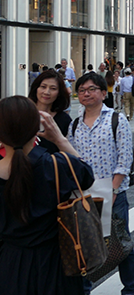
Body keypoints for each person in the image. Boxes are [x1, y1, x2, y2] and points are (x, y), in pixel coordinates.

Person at [0, 96, 92, 295]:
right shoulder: (56, 165)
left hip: (9, 265)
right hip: (58, 264)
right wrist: (60, 139)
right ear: (36, 129)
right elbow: (86, 176)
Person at [68, 72, 134, 294]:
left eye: (91, 89)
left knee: (120, 243)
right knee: (85, 244)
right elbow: (72, 159)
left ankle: (129, 289)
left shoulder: (116, 119)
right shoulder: (75, 123)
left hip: (113, 192)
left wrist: (114, 189)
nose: (86, 94)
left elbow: (124, 158)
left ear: (102, 92)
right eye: (82, 91)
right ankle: (85, 288)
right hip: (84, 194)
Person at [27, 70, 73, 154]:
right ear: (36, 88)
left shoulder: (64, 120)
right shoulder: (23, 113)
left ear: (59, 93)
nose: (46, 92)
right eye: (43, 87)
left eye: (53, 88)